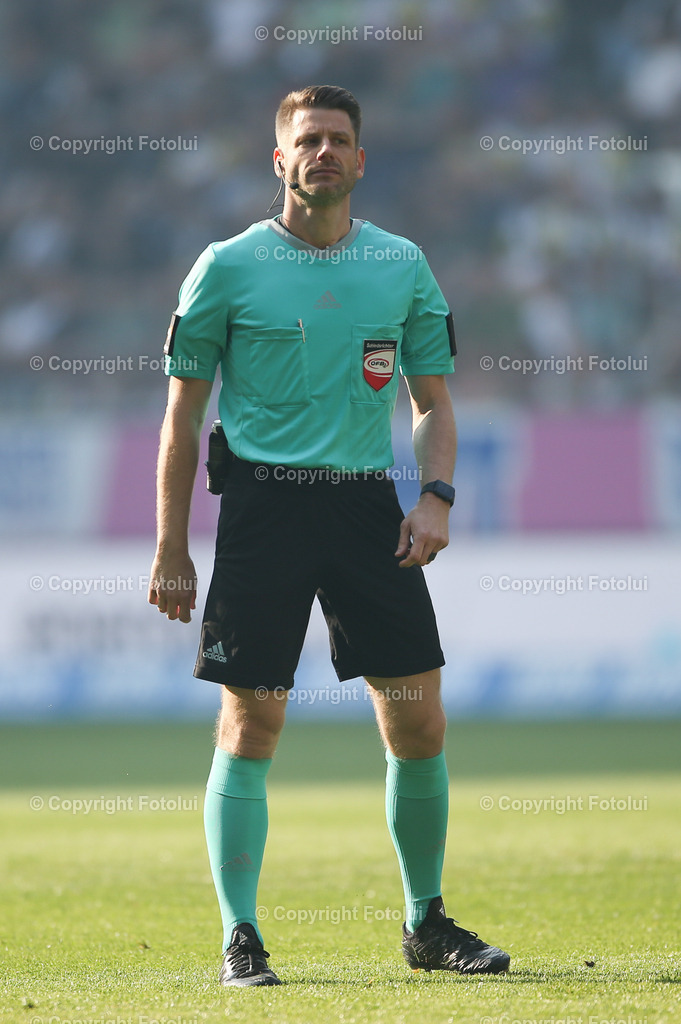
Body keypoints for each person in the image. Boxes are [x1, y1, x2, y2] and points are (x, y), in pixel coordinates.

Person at [148, 84, 509, 987]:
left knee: (417, 722)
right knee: (253, 718)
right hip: (262, 509)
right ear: (279, 160)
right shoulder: (225, 266)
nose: (323, 153)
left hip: (363, 508)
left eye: (338, 140)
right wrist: (168, 546)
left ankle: (426, 924)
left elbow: (430, 402)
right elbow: (181, 422)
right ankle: (242, 937)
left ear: (360, 158)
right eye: (306, 140)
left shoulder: (402, 264)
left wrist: (435, 498)